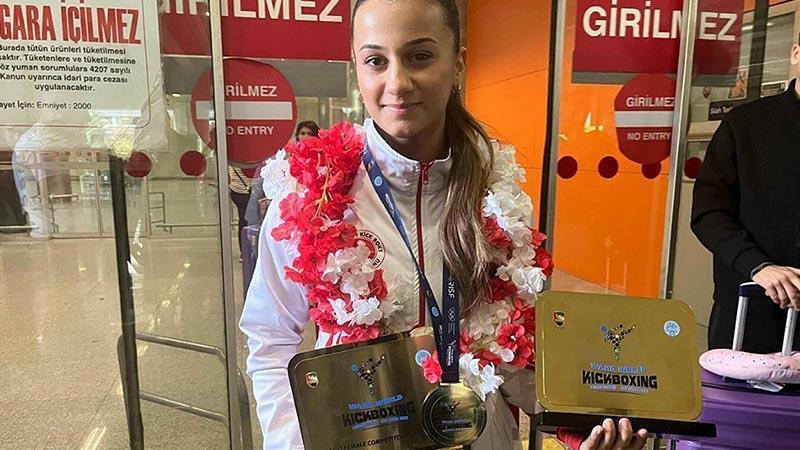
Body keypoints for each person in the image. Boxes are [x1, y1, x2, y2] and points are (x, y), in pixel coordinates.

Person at [240, 1, 647, 449]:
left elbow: (512, 351)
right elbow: (270, 339)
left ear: (457, 64)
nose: (397, 83)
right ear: (356, 67)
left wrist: (583, 425)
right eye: (376, 60)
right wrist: (294, 441)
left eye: (420, 56)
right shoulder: (311, 195)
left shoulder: (497, 199)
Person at [691, 36, 800, 353]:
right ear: (796, 53)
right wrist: (758, 266)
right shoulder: (745, 125)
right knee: (741, 387)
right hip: (750, 307)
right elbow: (708, 213)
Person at [244, 121, 320, 228]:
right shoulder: (290, 154)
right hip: (290, 197)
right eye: (302, 133)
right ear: (297, 135)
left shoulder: (320, 156)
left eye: (309, 133)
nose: (306, 137)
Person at [228, 165, 252, 254]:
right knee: (251, 221)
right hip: (249, 189)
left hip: (236, 189)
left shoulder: (233, 159)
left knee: (243, 220)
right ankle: (249, 250)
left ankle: (244, 251)